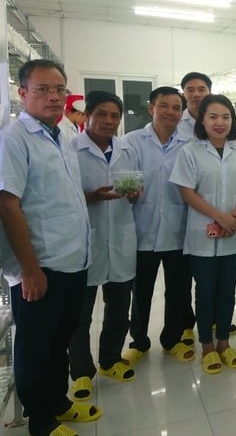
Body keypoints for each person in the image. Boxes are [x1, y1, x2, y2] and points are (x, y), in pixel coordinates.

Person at [0, 59, 101, 436]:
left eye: (59, 89)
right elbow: (7, 203)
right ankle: (41, 421)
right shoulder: (14, 139)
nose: (54, 96)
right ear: (23, 93)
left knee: (60, 338)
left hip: (72, 259)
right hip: (40, 264)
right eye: (43, 89)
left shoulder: (63, 134)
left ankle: (58, 403)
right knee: (36, 346)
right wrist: (28, 268)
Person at [68, 91, 141, 401]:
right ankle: (81, 372)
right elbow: (65, 195)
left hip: (121, 238)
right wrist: (91, 196)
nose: (109, 121)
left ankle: (111, 358)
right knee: (80, 314)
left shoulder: (127, 149)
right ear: (88, 116)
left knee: (118, 308)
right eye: (102, 114)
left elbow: (139, 185)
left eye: (115, 116)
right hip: (86, 240)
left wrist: (136, 193)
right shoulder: (71, 149)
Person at [170, 94, 236, 374]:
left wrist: (235, 217)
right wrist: (220, 217)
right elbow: (186, 191)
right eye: (213, 116)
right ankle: (206, 344)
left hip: (233, 233)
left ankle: (224, 343)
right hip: (202, 236)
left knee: (228, 291)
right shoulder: (190, 152)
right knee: (204, 291)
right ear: (202, 120)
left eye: (226, 117)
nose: (220, 122)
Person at [123, 86, 196, 366]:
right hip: (143, 230)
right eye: (164, 106)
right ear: (151, 108)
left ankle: (173, 339)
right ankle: (139, 342)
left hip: (179, 230)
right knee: (140, 291)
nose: (170, 112)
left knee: (178, 290)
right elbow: (126, 180)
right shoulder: (132, 142)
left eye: (176, 107)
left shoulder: (189, 144)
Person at [178, 72, 212, 137]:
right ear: (183, 95)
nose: (196, 94)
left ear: (210, 93)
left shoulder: (220, 121)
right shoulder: (176, 123)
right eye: (190, 90)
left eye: (201, 90)